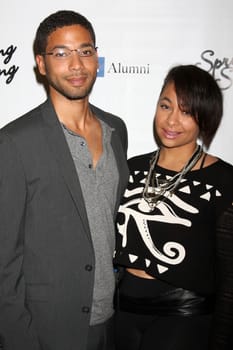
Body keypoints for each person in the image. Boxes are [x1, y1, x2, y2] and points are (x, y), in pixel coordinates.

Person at [0, 10, 129, 350]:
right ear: (41, 64)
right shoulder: (14, 142)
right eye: (61, 53)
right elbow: (3, 262)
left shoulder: (116, 130)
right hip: (47, 330)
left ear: (96, 57)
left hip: (110, 321)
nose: (76, 64)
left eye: (85, 51)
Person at [113, 64, 233, 349]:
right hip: (123, 310)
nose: (172, 121)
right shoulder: (132, 168)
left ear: (205, 118)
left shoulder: (224, 180)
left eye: (187, 111)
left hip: (182, 315)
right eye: (166, 106)